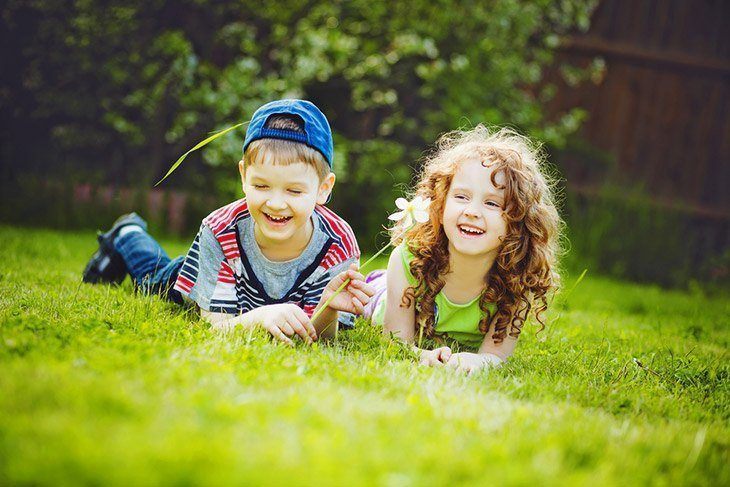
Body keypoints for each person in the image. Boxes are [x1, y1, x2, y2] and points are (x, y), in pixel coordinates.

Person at [83, 99, 374, 344]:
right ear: (244, 176)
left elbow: (317, 336)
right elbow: (216, 325)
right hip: (213, 273)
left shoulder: (338, 244)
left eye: (294, 191)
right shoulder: (220, 230)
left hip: (244, 282)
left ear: (323, 188)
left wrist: (328, 308)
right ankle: (128, 234)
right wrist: (261, 317)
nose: (275, 202)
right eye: (261, 186)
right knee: (153, 278)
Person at [364, 125, 562, 373]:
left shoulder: (518, 277)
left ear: (519, 220)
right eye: (461, 197)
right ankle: (377, 283)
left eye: (491, 203)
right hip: (383, 298)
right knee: (373, 292)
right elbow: (396, 342)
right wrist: (422, 354)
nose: (472, 211)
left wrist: (477, 361)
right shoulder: (408, 259)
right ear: (440, 202)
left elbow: (496, 354)